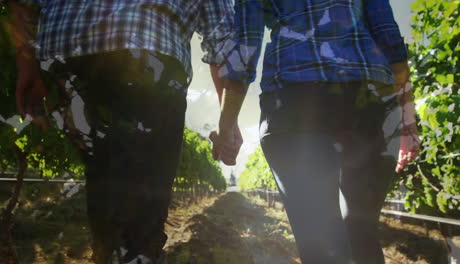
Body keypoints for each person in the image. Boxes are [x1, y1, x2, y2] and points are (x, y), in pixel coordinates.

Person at [6, 0, 234, 263]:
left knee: (105, 196)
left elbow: (22, 3)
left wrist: (27, 66)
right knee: (138, 220)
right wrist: (227, 120)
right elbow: (223, 35)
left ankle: (110, 251)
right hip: (148, 52)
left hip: (66, 59)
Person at [212, 0, 420, 263]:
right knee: (361, 233)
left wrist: (227, 125)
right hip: (370, 104)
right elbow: (390, 41)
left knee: (323, 245)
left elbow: (244, 47)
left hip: (295, 101)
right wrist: (407, 123)